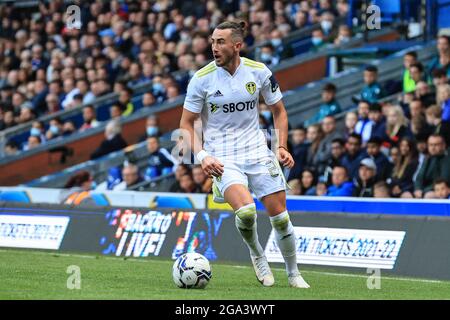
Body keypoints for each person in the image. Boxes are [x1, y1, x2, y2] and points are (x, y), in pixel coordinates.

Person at [179, 21, 309, 288]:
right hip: (222, 157)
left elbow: (279, 111)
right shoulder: (202, 78)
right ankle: (257, 253)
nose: (213, 47)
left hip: (257, 152)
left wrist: (281, 146)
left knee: (281, 219)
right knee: (247, 212)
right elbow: (185, 124)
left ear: (237, 46)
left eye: (220, 42)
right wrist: (203, 156)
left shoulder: (259, 72)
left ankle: (294, 273)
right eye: (212, 41)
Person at [414, 134, 450, 198]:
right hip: (425, 190)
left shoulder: (447, 159)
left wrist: (424, 191)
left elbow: (444, 179)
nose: (433, 148)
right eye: (430, 145)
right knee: (407, 195)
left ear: (443, 145)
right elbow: (419, 177)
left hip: (439, 190)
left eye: (436, 145)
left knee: (429, 196)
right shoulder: (427, 158)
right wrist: (418, 189)